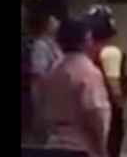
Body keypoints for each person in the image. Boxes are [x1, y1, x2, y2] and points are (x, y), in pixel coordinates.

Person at [43, 18, 111, 157]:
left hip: (53, 142)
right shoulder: (88, 72)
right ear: (87, 39)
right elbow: (96, 113)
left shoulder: (53, 69)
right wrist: (102, 148)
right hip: (82, 145)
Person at [84, 5, 127, 157]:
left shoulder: (86, 52)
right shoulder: (111, 52)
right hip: (109, 110)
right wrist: (124, 109)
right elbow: (114, 85)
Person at [27, 10, 63, 144]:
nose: (57, 23)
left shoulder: (55, 45)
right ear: (46, 25)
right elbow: (39, 73)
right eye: (54, 20)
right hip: (44, 94)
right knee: (46, 132)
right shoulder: (41, 46)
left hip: (55, 94)